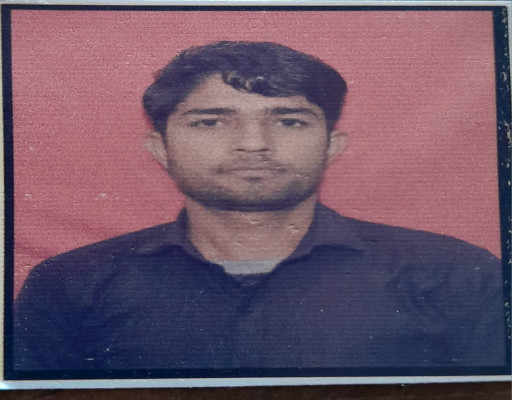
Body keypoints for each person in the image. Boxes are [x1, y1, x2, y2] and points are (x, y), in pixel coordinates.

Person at [12, 41, 506, 373]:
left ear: (332, 146)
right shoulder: (70, 285)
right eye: (210, 122)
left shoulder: (454, 275)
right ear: (160, 149)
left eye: (289, 121)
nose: (253, 144)